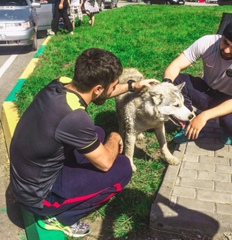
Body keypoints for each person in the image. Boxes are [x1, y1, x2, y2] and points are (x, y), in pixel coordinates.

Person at [10, 48, 158, 238]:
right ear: (97, 88)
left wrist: (133, 86)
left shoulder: (60, 85)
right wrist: (115, 137)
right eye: (113, 86)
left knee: (97, 132)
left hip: (28, 174)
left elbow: (102, 92)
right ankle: (62, 218)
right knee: (122, 167)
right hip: (39, 197)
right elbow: (105, 164)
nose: (114, 89)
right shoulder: (74, 118)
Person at [163, 19, 232, 145]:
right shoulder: (208, 42)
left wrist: (204, 116)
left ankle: (229, 131)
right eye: (225, 42)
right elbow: (177, 64)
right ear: (222, 36)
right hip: (208, 91)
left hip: (231, 99)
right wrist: (166, 84)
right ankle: (190, 126)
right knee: (176, 81)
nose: (227, 50)